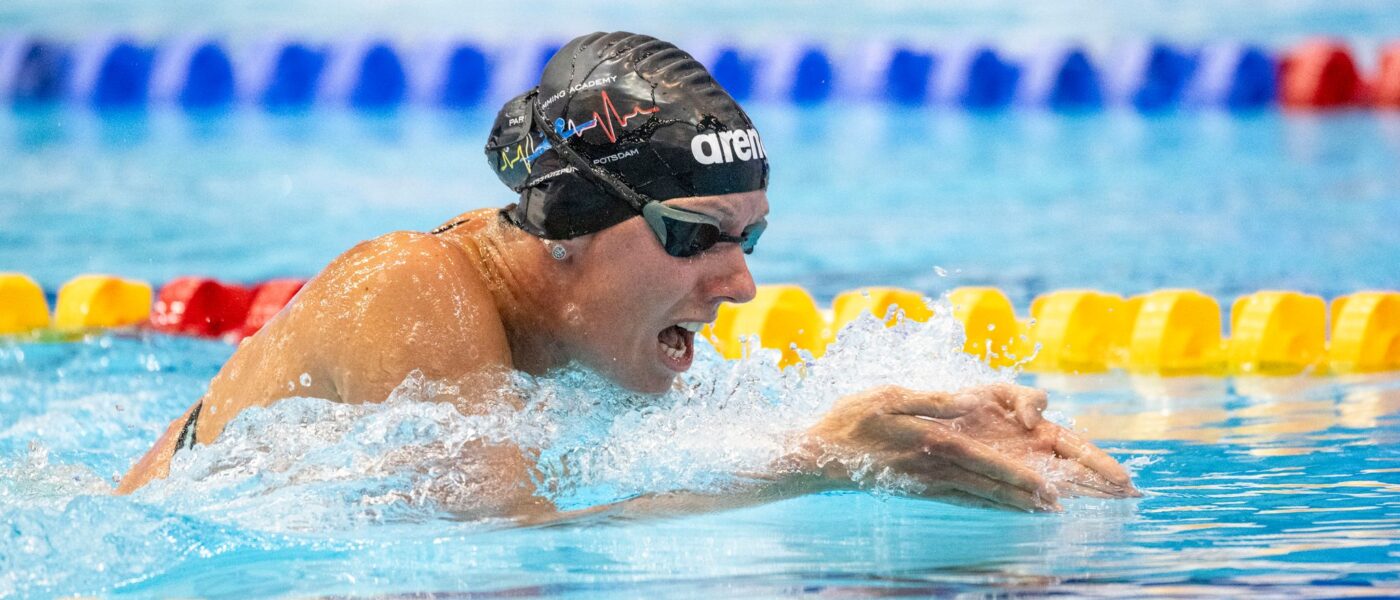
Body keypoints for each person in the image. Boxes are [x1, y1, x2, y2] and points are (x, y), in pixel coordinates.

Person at [117, 32, 1138, 520]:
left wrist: (911, 425)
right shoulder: (411, 290)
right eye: (696, 236)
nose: (739, 286)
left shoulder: (576, 326)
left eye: (751, 241)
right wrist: (815, 463)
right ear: (564, 223)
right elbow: (499, 562)